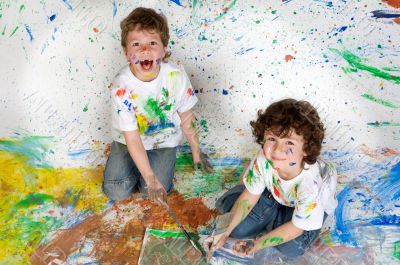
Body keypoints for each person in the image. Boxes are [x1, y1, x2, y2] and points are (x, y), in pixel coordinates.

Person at [103, 7, 212, 203]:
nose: (144, 50)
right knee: (116, 191)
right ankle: (137, 165)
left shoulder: (175, 76)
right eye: (136, 44)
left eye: (152, 43)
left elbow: (187, 117)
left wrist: (196, 151)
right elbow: (132, 137)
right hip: (128, 142)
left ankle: (145, 169)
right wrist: (150, 177)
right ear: (127, 53)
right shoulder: (121, 86)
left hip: (163, 142)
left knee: (153, 193)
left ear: (164, 48)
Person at [212, 98, 337, 257]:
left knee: (292, 249)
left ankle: (277, 211)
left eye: (289, 143)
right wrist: (225, 231)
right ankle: (263, 192)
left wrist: (255, 244)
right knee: (236, 228)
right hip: (278, 193)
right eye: (272, 139)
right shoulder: (265, 159)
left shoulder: (311, 184)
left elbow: (296, 229)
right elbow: (249, 197)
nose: (278, 150)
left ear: (306, 148)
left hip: (309, 203)